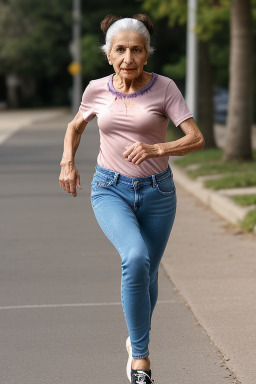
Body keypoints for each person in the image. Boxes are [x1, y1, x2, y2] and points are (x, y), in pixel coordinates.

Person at [59, 13, 205, 384]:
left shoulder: (165, 88)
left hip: (158, 193)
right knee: (135, 257)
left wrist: (157, 147)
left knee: (149, 272)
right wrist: (68, 162)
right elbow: (76, 125)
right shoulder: (95, 89)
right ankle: (140, 358)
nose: (128, 58)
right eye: (120, 50)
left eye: (136, 50)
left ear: (146, 54)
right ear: (108, 54)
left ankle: (134, 339)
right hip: (110, 189)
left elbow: (195, 138)